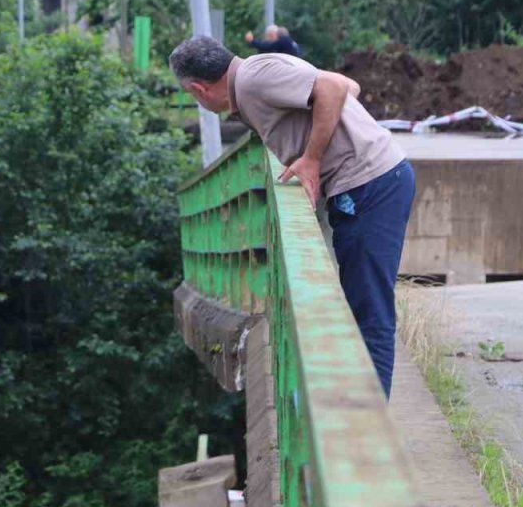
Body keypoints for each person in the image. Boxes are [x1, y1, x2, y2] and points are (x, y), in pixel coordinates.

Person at [168, 35, 414, 397]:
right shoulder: (258, 72)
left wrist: (312, 158)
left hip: (369, 185)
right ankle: (365, 405)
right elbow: (349, 86)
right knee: (361, 307)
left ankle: (371, 429)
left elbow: (331, 86)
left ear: (199, 89)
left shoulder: (254, 80)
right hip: (374, 181)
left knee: (370, 313)